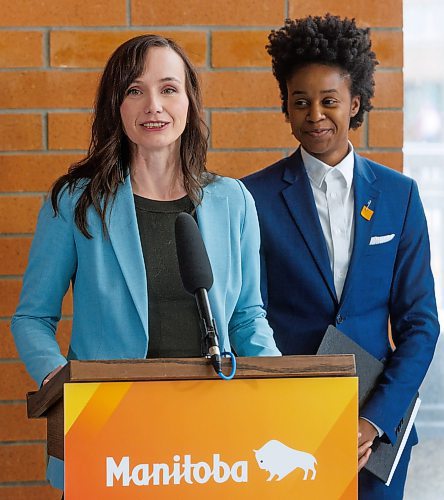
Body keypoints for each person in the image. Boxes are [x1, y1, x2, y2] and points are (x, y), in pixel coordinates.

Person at [11, 34, 280, 492]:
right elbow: (32, 317)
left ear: (189, 102)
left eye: (168, 89)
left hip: (213, 438)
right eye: (135, 90)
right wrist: (61, 381)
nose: (153, 105)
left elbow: (248, 316)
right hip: (108, 434)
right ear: (116, 105)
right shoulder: (75, 201)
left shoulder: (233, 201)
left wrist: (284, 389)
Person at [242, 14, 439, 499]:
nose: (315, 115)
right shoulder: (253, 198)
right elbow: (250, 316)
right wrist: (292, 411)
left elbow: (421, 323)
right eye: (300, 102)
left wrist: (374, 422)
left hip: (377, 433)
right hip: (288, 428)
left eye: (329, 101)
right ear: (285, 108)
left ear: (355, 103)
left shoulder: (400, 196)